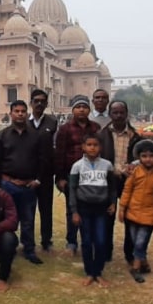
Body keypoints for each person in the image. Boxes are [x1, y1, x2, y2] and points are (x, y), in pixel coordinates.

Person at [0, 100, 48, 265]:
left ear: (27, 113)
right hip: (7, 184)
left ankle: (29, 250)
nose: (20, 114)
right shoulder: (2, 135)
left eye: (23, 111)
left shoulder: (36, 136)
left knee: (28, 219)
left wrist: (38, 179)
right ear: (11, 113)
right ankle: (5, 250)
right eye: (16, 111)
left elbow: (42, 160)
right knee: (6, 220)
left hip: (28, 185)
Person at [55, 95, 102, 255]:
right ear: (73, 110)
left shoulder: (95, 128)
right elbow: (60, 153)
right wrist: (60, 177)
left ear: (89, 109)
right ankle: (72, 242)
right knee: (72, 209)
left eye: (84, 106)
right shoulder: (65, 129)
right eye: (78, 107)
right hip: (71, 175)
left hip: (93, 175)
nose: (81, 109)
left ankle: (89, 241)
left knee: (91, 208)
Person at [67, 134, 115, 288]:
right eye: (89, 145)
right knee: (86, 242)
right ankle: (89, 273)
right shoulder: (77, 166)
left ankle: (98, 272)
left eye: (95, 145)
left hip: (101, 209)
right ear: (83, 147)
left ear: (100, 147)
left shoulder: (107, 165)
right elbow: (72, 190)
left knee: (100, 241)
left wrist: (113, 203)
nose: (92, 148)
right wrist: (74, 211)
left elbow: (113, 188)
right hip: (83, 208)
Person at [98, 100, 142, 265]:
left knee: (130, 218)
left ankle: (129, 253)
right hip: (108, 181)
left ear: (126, 114)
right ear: (110, 114)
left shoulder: (135, 136)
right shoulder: (102, 135)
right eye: (114, 112)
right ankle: (106, 251)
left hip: (129, 181)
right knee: (107, 218)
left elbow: (140, 158)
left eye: (121, 112)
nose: (118, 115)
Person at [118, 140, 153, 284]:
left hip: (150, 214)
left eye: (151, 156)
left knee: (141, 242)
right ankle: (143, 261)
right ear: (139, 157)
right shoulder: (135, 171)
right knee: (135, 240)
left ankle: (135, 268)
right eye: (144, 156)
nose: (148, 159)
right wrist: (122, 208)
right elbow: (127, 190)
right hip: (132, 212)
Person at [27, 89, 59, 253]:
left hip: (46, 175)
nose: (39, 104)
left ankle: (46, 240)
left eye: (42, 101)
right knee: (28, 211)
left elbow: (55, 149)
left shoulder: (52, 123)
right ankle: (28, 242)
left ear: (46, 104)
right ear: (31, 103)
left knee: (46, 209)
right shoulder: (24, 122)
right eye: (36, 101)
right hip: (28, 175)